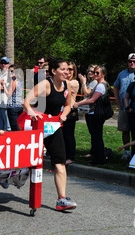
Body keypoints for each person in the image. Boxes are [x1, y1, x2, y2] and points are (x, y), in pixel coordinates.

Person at [23, 57, 77, 211]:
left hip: (52, 127)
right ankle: (6, 178)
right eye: (63, 69)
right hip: (35, 126)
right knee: (25, 161)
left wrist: (64, 114)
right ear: (54, 71)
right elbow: (25, 102)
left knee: (60, 161)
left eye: (68, 69)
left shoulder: (66, 85)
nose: (66, 72)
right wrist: (32, 113)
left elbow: (68, 105)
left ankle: (61, 199)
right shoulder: (45, 84)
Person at [74, 65, 110, 165]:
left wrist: (78, 104)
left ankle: (99, 159)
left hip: (96, 114)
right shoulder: (99, 84)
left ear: (103, 74)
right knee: (95, 136)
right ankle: (98, 157)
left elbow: (92, 100)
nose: (95, 74)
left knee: (97, 137)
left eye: (97, 73)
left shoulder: (101, 85)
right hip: (94, 113)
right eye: (94, 72)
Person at [62, 61, 79, 164]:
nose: (68, 71)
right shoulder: (64, 81)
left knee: (69, 135)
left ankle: (70, 157)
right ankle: (64, 155)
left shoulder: (73, 82)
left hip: (71, 110)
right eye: (66, 69)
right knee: (63, 135)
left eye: (70, 69)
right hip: (63, 110)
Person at [0, 57, 11, 131]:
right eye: (2, 63)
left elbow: (10, 89)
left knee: (8, 127)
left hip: (6, 103)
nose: (3, 64)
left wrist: (3, 86)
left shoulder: (10, 75)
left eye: (5, 63)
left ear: (8, 64)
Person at [4, 64, 23, 131]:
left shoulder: (13, 80)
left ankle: (17, 141)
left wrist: (3, 86)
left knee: (14, 129)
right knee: (19, 127)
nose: (10, 72)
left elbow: (9, 94)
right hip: (19, 106)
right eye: (9, 71)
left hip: (13, 107)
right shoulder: (20, 81)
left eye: (12, 71)